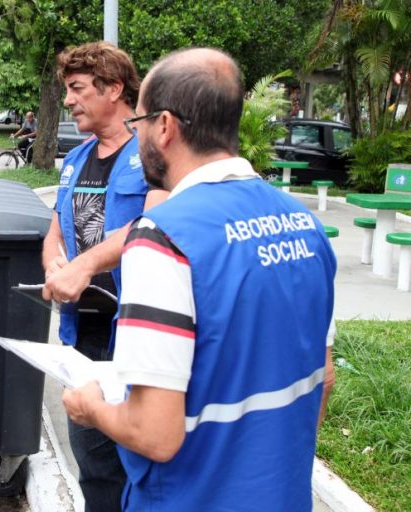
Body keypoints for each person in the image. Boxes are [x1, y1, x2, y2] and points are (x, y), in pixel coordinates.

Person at [62, 48, 337, 511]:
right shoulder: (303, 223)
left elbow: (154, 434)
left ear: (165, 126)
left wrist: (91, 408)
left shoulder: (163, 238)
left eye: (142, 121)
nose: (138, 134)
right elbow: (323, 377)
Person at [41, 42, 167, 512]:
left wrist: (86, 264)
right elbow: (55, 231)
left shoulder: (155, 150)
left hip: (141, 334)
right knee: (94, 463)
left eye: (77, 89)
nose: (69, 100)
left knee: (144, 460)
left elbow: (154, 224)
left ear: (114, 88)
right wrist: (56, 263)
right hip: (85, 337)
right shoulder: (76, 159)